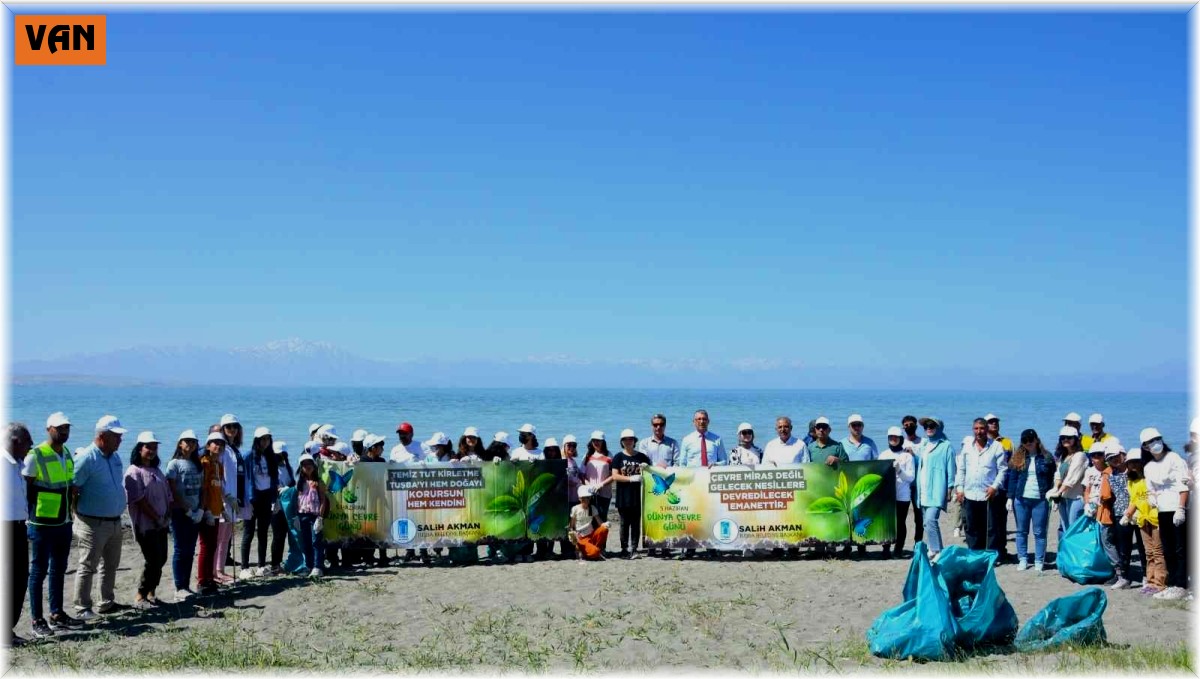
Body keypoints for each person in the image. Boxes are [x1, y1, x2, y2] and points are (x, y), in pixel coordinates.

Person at [25, 412, 82, 638]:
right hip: (41, 523)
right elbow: (25, 487)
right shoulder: (35, 454)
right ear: (48, 428)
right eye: (60, 428)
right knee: (38, 571)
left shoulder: (67, 453)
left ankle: (56, 613)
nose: (64, 432)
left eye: (67, 428)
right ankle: (36, 619)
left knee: (59, 569)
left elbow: (66, 483)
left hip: (63, 521)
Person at [70, 415, 130, 620]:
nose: (120, 440)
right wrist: (77, 514)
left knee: (110, 564)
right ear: (103, 436)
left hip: (114, 520)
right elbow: (73, 488)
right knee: (88, 565)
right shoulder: (87, 457)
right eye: (116, 436)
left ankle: (106, 602)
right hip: (92, 522)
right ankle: (82, 607)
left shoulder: (115, 458)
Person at [1140, 428, 1190, 600]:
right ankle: (1173, 582)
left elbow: (1183, 485)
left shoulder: (1174, 458)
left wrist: (1181, 508)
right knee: (1168, 548)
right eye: (1150, 442)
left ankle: (1182, 584)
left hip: (1177, 507)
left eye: (1157, 439)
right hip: (1162, 510)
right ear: (1145, 447)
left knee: (1181, 547)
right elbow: (1150, 489)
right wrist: (1152, 499)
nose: (1155, 443)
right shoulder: (1149, 466)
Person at [124, 432, 172, 609]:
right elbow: (139, 500)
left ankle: (152, 592)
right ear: (139, 449)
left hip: (161, 523)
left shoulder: (157, 470)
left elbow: (167, 493)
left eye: (154, 447)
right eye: (147, 447)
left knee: (162, 558)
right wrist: (156, 517)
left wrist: (166, 515)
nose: (151, 451)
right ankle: (140, 594)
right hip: (146, 525)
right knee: (153, 559)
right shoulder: (134, 471)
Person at [1004, 429, 1055, 572]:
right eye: (1025, 441)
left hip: (1040, 499)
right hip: (1021, 499)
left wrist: (1053, 495)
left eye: (1030, 440)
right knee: (1021, 531)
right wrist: (1010, 497)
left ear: (1036, 440)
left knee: (1039, 532)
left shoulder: (1047, 457)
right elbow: (1012, 479)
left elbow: (1052, 478)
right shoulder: (1017, 457)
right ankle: (1023, 559)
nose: (1028, 443)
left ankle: (1039, 560)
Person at [954, 418, 1008, 555]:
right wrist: (959, 489)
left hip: (988, 494)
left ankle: (989, 555)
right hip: (970, 494)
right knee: (971, 527)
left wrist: (994, 487)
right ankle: (974, 554)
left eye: (982, 428)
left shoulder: (996, 446)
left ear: (987, 429)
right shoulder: (967, 447)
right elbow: (961, 470)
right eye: (976, 428)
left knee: (990, 528)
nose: (979, 431)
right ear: (973, 430)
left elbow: (1003, 470)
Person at [166, 430, 203, 602]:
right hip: (180, 513)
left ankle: (186, 586)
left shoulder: (197, 464)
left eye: (194, 442)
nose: (190, 444)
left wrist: (200, 509)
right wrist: (185, 508)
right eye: (187, 441)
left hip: (195, 512)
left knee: (190, 550)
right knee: (180, 550)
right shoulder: (174, 464)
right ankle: (179, 587)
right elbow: (172, 489)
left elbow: (202, 489)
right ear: (180, 443)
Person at [1122, 448, 1165, 595]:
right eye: (1130, 462)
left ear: (1142, 462)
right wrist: (1127, 515)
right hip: (1142, 519)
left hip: (1155, 517)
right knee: (1149, 553)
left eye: (1136, 462)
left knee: (1158, 552)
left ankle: (1160, 583)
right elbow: (1134, 500)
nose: (1133, 465)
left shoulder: (1150, 477)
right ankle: (1151, 582)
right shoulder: (1131, 482)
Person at [4, 423, 33, 647]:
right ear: (16, 442)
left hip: (19, 526)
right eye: (28, 444)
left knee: (20, 576)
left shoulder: (17, 464)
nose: (30, 449)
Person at [240, 427, 280, 578]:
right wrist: (244, 499)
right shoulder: (248, 456)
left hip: (266, 497)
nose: (265, 442)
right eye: (262, 439)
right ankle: (244, 567)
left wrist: (275, 499)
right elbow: (242, 477)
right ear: (256, 440)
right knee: (248, 532)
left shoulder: (271, 457)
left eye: (267, 439)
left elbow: (274, 479)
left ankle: (261, 566)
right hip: (252, 498)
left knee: (263, 533)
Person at [916, 418, 956, 561]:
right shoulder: (924, 445)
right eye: (926, 426)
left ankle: (937, 550)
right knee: (926, 522)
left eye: (932, 425)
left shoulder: (946, 446)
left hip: (937, 489)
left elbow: (951, 469)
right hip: (923, 489)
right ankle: (935, 549)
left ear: (939, 428)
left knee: (931, 519)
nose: (928, 428)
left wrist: (950, 488)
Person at [216, 414, 248, 583]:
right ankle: (216, 572)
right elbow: (218, 476)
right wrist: (225, 497)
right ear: (222, 429)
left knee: (226, 538)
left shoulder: (235, 449)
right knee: (219, 538)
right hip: (224, 499)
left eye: (235, 426)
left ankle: (220, 570)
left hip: (235, 499)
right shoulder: (221, 448)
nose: (232, 429)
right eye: (228, 427)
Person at [1099, 442, 1136, 589]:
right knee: (1123, 546)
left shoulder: (1132, 471)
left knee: (1141, 546)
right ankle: (1123, 576)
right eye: (1110, 458)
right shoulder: (1110, 473)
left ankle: (1145, 576)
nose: (1114, 460)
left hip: (1136, 512)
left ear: (1123, 454)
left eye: (1116, 456)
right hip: (1119, 514)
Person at [611, 429, 651, 558]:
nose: (628, 441)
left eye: (631, 439)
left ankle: (634, 548)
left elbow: (651, 473)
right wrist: (630, 478)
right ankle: (624, 549)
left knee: (635, 524)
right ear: (622, 442)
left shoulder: (641, 457)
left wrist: (647, 468)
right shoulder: (618, 457)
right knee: (624, 523)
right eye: (625, 439)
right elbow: (615, 476)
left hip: (638, 496)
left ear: (634, 441)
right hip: (623, 496)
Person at [196, 432, 228, 595]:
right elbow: (203, 489)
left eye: (221, 444)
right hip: (206, 512)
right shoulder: (205, 463)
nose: (218, 446)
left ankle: (210, 579)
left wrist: (223, 509)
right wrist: (206, 510)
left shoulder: (219, 465)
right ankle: (202, 581)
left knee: (213, 546)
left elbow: (217, 489)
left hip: (216, 511)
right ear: (208, 446)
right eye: (215, 443)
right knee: (206, 546)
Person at [879, 427, 915, 559]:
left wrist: (899, 470)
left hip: (902, 495)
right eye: (890, 437)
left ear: (901, 439)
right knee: (887, 522)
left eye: (896, 437)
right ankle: (886, 548)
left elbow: (911, 478)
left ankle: (898, 549)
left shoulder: (907, 456)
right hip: (887, 495)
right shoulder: (883, 455)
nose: (893, 439)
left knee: (900, 523)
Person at [1047, 426, 1087, 541]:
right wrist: (1055, 489)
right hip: (1063, 498)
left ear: (1075, 439)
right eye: (1063, 438)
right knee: (1065, 528)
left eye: (1069, 438)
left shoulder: (1080, 455)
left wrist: (1058, 492)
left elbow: (1072, 478)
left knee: (1074, 528)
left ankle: (1076, 556)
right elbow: (1058, 475)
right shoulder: (1063, 456)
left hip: (1076, 498)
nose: (1066, 440)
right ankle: (1067, 555)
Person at [293, 453, 329, 578]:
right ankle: (309, 566)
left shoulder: (318, 482)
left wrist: (320, 517)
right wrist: (296, 516)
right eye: (304, 464)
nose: (307, 466)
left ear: (314, 465)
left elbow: (323, 500)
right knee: (306, 542)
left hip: (315, 516)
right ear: (301, 467)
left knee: (316, 541)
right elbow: (296, 500)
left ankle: (318, 566)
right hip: (302, 515)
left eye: (310, 464)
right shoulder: (299, 483)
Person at [356, 435, 391, 566]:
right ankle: (368, 557)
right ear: (373, 448)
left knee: (382, 527)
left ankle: (383, 556)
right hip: (366, 499)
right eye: (380, 446)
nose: (382, 448)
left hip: (381, 497)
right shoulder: (362, 461)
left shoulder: (381, 461)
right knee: (368, 527)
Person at [269, 440, 295, 573]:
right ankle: (275, 564)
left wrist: (289, 488)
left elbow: (292, 483)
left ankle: (287, 561)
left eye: (282, 455)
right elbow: (271, 486)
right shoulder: (271, 469)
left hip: (288, 505)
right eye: (277, 455)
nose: (280, 457)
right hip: (276, 506)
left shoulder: (288, 468)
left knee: (288, 533)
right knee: (278, 535)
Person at [569, 486, 609, 561]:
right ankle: (583, 549)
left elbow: (600, 522)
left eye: (588, 498)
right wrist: (572, 535)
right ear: (580, 499)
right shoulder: (575, 509)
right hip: (581, 537)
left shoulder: (592, 508)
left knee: (604, 529)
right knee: (595, 552)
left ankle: (593, 549)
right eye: (585, 498)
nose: (587, 500)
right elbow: (571, 526)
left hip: (591, 535)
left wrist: (605, 524)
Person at [901, 415, 924, 545]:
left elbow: (925, 462)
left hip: (918, 485)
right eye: (906, 425)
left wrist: (914, 456)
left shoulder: (923, 442)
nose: (909, 427)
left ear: (916, 426)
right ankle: (900, 543)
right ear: (903, 427)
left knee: (919, 516)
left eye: (911, 424)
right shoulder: (901, 442)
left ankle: (918, 542)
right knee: (902, 516)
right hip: (904, 485)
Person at [582, 432, 614, 522]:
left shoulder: (609, 456)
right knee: (589, 521)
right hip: (589, 494)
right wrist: (589, 485)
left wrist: (601, 484)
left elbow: (614, 475)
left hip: (604, 494)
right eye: (594, 440)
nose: (596, 442)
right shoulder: (587, 456)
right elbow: (582, 474)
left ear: (603, 441)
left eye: (598, 440)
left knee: (602, 520)